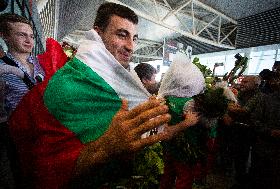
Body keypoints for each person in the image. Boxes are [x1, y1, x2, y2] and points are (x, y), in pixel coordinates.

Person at [8, 3, 199, 188]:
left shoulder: (123, 85)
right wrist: (104, 148)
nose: (131, 46)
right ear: (98, 34)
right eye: (122, 35)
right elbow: (43, 169)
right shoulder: (68, 87)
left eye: (135, 38)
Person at [0, 13, 45, 188]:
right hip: (18, 137)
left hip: (45, 132)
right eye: (21, 35)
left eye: (31, 36)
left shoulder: (43, 63)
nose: (29, 40)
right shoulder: (2, 68)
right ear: (5, 36)